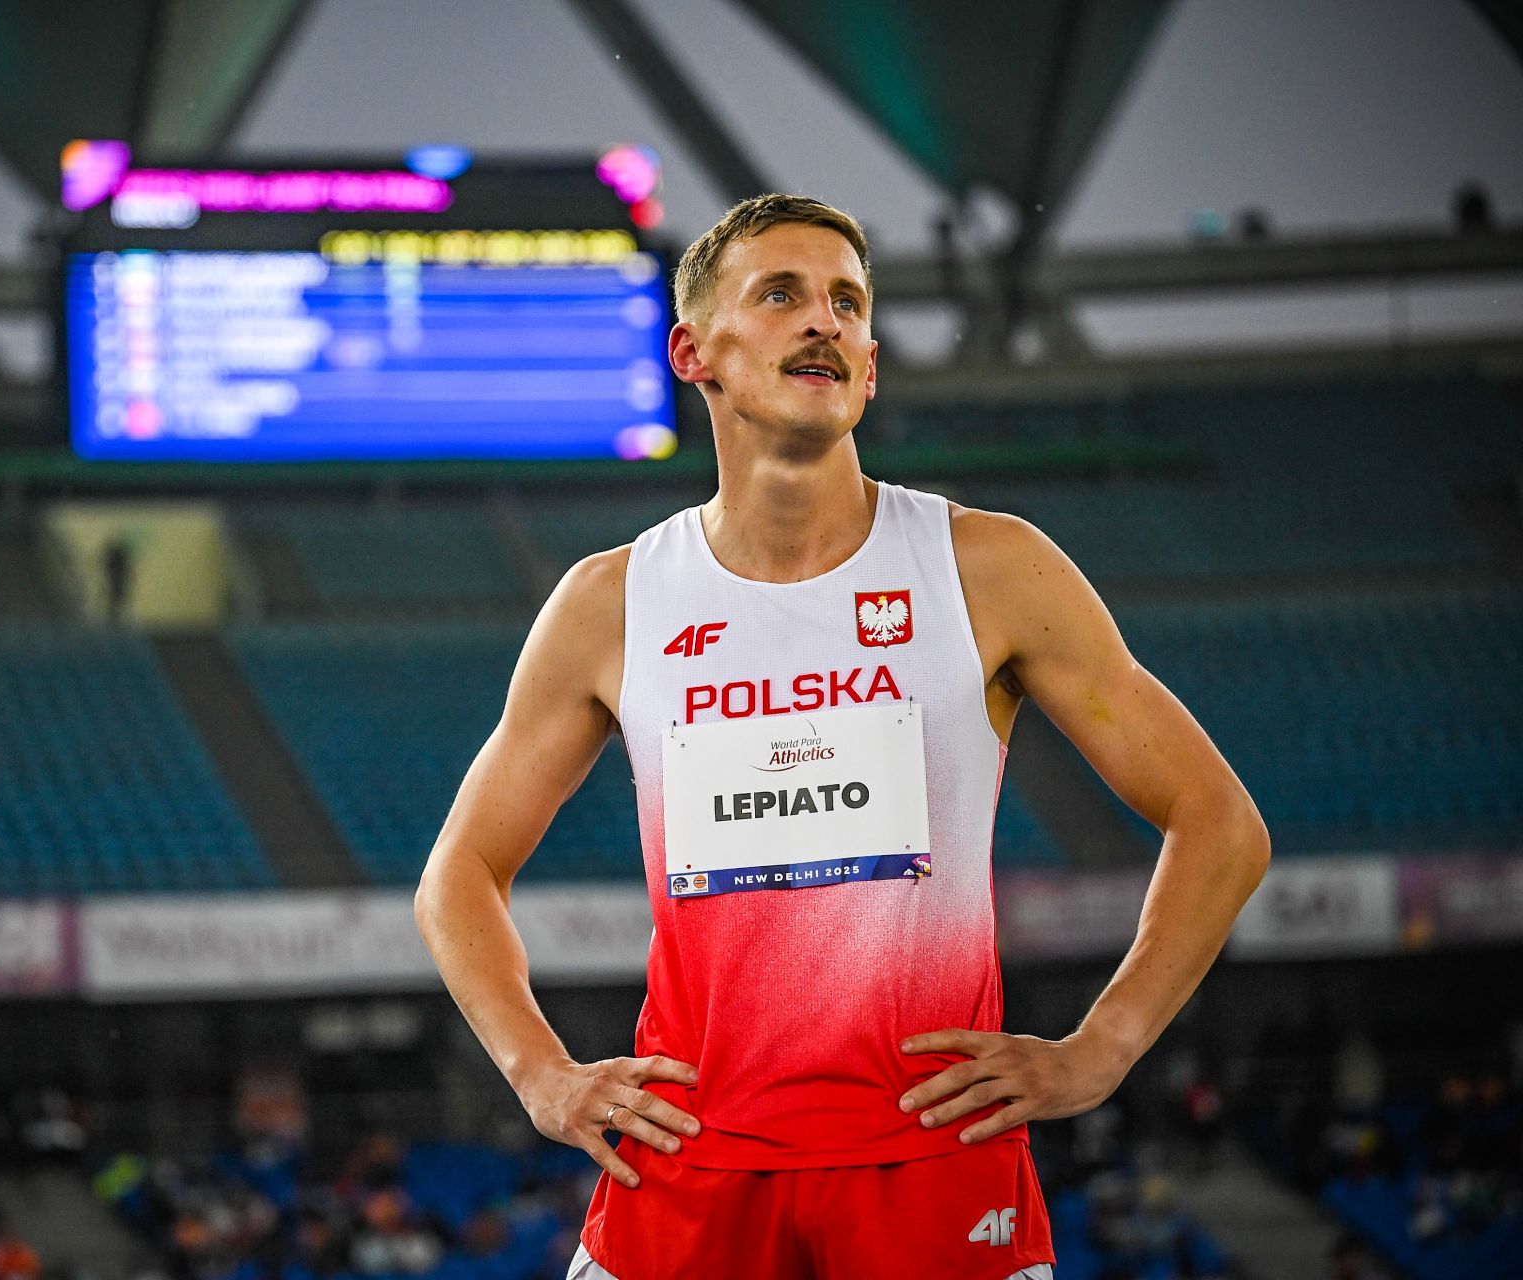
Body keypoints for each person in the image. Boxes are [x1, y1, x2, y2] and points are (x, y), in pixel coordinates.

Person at [415, 194, 1270, 1280]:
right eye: (780, 294)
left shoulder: (987, 568)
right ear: (694, 353)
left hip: (933, 1165)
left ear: (869, 366)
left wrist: (1102, 1047)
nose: (822, 319)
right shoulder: (612, 602)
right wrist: (539, 1073)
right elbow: (458, 876)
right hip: (689, 1168)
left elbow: (1221, 822)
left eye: (847, 303)